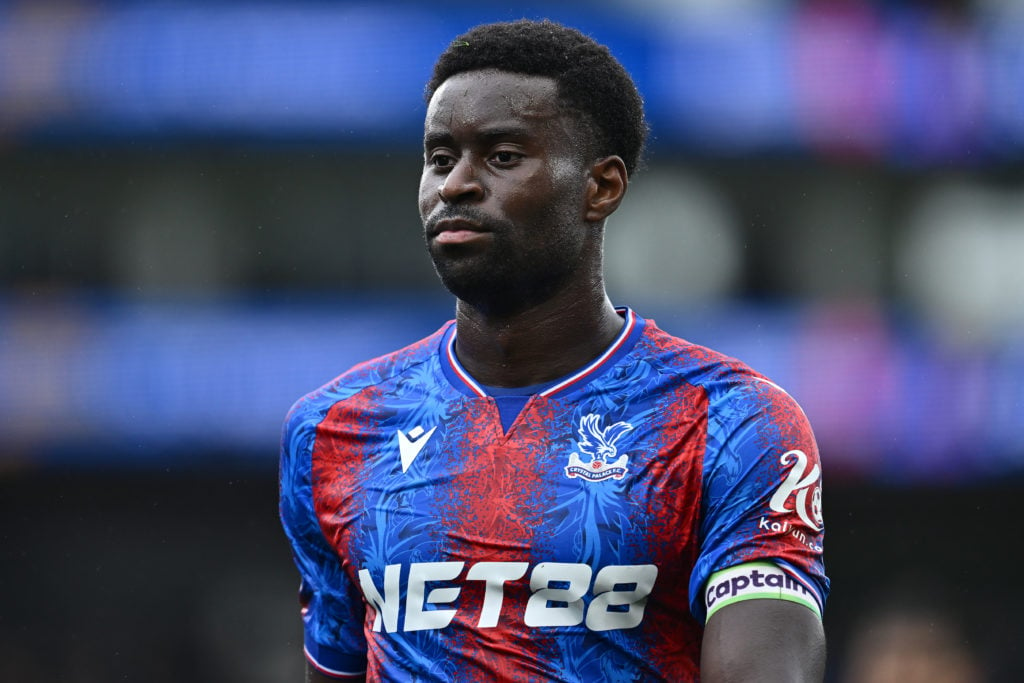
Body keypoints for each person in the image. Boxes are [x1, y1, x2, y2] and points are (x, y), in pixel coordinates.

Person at [280, 19, 828, 682]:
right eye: (439, 157)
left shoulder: (733, 423)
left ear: (602, 187)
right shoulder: (333, 429)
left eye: (502, 156)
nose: (456, 184)